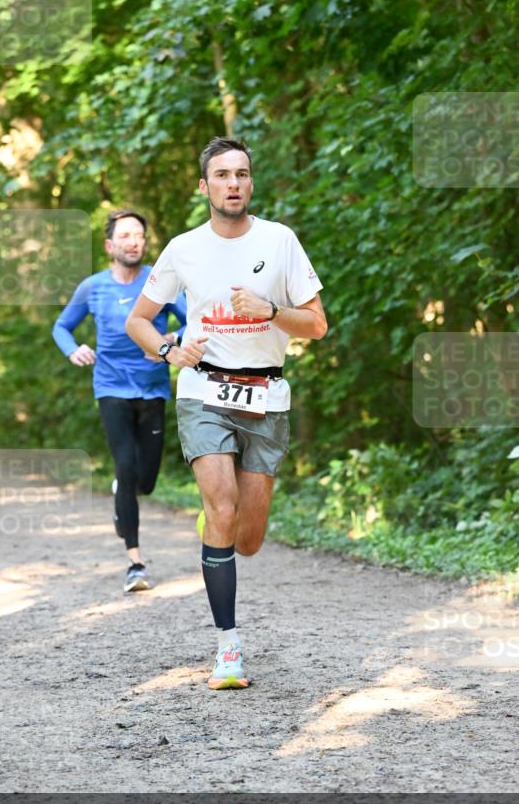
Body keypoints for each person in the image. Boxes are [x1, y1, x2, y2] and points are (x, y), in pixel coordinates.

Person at [125, 137, 327, 689]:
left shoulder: (280, 241)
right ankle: (228, 649)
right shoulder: (184, 249)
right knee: (221, 508)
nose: (232, 183)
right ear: (204, 186)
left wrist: (270, 310)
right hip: (203, 391)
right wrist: (169, 350)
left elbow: (317, 324)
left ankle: (224, 520)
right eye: (221, 175)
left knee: (248, 537)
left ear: (251, 183)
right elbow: (138, 322)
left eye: (241, 174)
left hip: (267, 396)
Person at [52, 209, 186, 593]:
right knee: (125, 467)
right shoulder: (93, 287)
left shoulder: (158, 284)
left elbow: (193, 320)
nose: (133, 242)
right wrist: (72, 348)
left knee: (145, 481)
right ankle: (136, 562)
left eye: (139, 236)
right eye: (125, 236)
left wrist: (171, 340)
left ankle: (122, 491)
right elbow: (61, 326)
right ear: (111, 245)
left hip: (154, 389)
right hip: (110, 388)